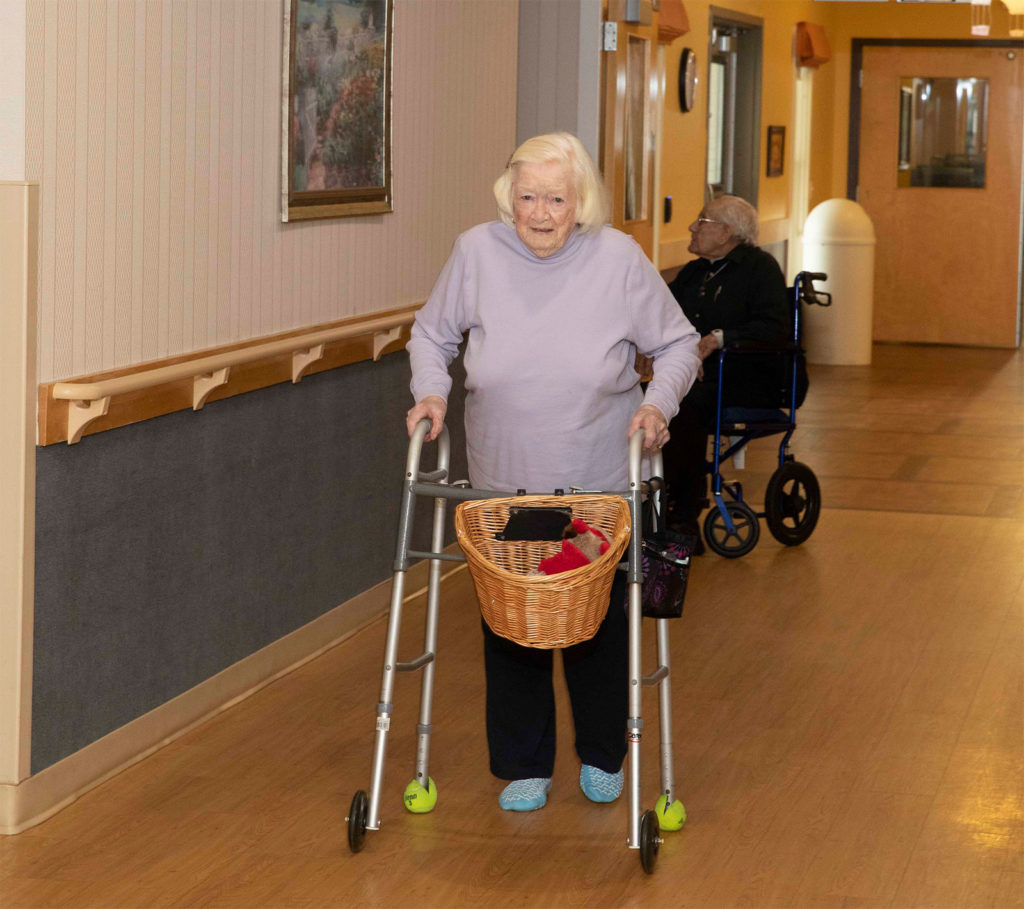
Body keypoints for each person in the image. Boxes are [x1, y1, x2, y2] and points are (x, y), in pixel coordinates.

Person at [406, 132, 700, 813]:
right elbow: (431, 333)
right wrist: (431, 391)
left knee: (595, 623)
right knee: (512, 623)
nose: (540, 213)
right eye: (527, 197)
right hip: (502, 479)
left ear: (582, 202)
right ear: (509, 197)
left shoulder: (618, 258)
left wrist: (658, 405)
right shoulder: (477, 251)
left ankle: (603, 754)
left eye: (556, 199)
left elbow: (679, 342)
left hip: (597, 478)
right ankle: (523, 764)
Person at [660, 195, 790, 536]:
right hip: (698, 377)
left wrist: (718, 338)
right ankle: (650, 501)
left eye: (701, 221)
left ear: (725, 232)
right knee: (649, 397)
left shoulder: (760, 269)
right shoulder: (694, 272)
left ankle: (682, 514)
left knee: (683, 405)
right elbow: (663, 317)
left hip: (747, 375)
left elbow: (774, 328)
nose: (691, 227)